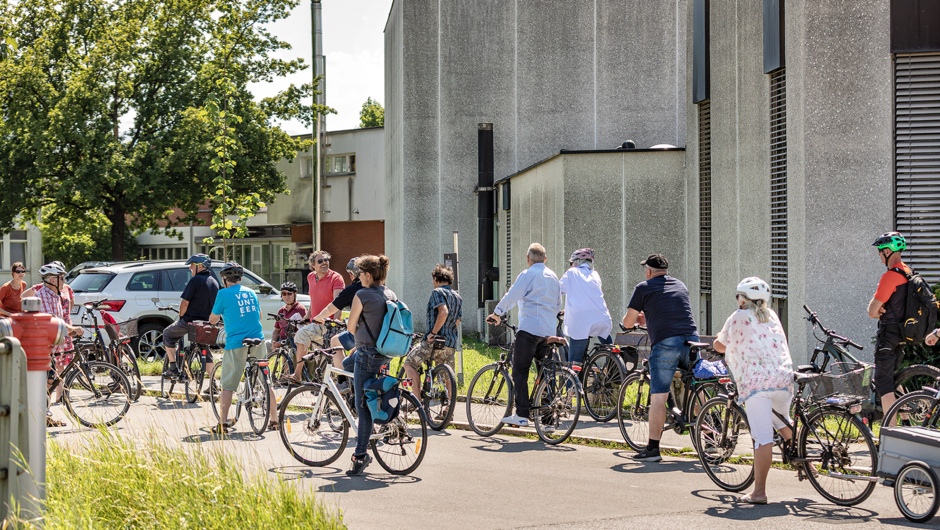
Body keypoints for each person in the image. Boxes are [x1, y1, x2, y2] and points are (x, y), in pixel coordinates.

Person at [713, 277, 794, 504]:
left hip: (757, 385)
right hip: (783, 380)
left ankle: (759, 492)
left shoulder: (738, 316)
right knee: (782, 422)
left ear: (743, 299)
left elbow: (720, 345)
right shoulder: (772, 316)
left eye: (738, 296)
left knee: (762, 438)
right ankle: (808, 466)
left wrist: (719, 345)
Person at [621, 254, 699, 462]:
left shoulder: (643, 287)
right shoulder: (680, 285)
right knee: (695, 389)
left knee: (658, 397)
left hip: (666, 342)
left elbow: (628, 322)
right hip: (691, 340)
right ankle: (708, 439)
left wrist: (630, 321)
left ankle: (653, 449)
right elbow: (669, 310)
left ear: (648, 271)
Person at [485, 243, 561, 427]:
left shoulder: (527, 275)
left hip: (529, 330)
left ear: (528, 259)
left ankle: (521, 414)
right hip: (549, 331)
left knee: (520, 371)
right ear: (545, 259)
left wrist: (497, 313)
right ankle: (548, 419)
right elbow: (558, 304)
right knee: (546, 374)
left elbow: (512, 295)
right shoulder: (553, 277)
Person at [208, 262, 276, 433]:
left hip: (236, 342)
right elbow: (258, 315)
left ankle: (223, 424)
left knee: (228, 384)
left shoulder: (222, 294)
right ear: (240, 278)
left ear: (224, 279)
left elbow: (213, 320)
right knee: (265, 379)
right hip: (258, 339)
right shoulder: (251, 292)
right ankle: (274, 421)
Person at [345, 254, 396, 475]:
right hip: (385, 352)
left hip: (367, 354)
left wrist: (358, 338)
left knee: (362, 406)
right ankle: (362, 392)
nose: (358, 277)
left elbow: (350, 326)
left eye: (359, 273)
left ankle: (360, 456)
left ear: (366, 275)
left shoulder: (362, 294)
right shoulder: (389, 293)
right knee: (348, 363)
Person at [867, 231, 913, 422]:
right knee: (894, 377)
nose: (879, 254)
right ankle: (906, 421)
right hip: (902, 334)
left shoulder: (890, 276)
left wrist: (880, 307)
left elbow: (872, 311)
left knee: (883, 384)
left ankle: (890, 434)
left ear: (888, 250)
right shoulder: (908, 271)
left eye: (880, 250)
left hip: (888, 336)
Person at [282, 251, 347, 384]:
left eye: (326, 259)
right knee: (322, 362)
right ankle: (324, 394)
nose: (324, 262)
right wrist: (306, 317)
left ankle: (297, 374)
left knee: (301, 335)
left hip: (327, 324)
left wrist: (334, 325)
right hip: (315, 323)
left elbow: (338, 304)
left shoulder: (336, 278)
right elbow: (314, 300)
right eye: (320, 261)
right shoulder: (311, 277)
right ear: (312, 265)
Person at [31, 263, 83, 427]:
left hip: (51, 345)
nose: (64, 281)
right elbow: (51, 319)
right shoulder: (43, 296)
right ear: (52, 279)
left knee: (49, 382)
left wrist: (68, 330)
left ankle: (43, 416)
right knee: (46, 382)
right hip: (41, 346)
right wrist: (71, 328)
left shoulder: (55, 295)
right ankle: (37, 417)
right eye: (61, 278)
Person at [403, 264, 462, 403]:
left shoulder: (438, 292)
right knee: (448, 376)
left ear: (435, 278)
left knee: (409, 364)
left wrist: (433, 333)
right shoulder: (457, 297)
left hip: (433, 342)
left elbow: (444, 312)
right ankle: (448, 410)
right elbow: (457, 321)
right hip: (450, 343)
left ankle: (417, 401)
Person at [164, 254, 220, 380]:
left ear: (199, 266)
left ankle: (172, 367)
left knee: (167, 333)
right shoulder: (214, 282)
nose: (189, 268)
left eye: (191, 265)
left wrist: (181, 316)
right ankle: (213, 383)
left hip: (190, 322)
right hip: (206, 323)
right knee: (205, 349)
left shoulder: (195, 280)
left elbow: (184, 303)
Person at [559, 248, 613, 365]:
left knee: (574, 365)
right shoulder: (595, 275)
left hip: (580, 322)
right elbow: (588, 297)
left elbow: (558, 291)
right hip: (602, 319)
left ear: (576, 262)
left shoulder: (571, 272)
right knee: (610, 349)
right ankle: (615, 367)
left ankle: (572, 382)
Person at [311, 258, 364, 373]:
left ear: (351, 275)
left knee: (335, 341)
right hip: (383, 336)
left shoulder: (352, 290)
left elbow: (331, 308)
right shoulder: (379, 289)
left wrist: (317, 318)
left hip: (363, 336)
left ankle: (342, 380)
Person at [271, 281, 306, 350]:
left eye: (289, 293)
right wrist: (273, 342)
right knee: (265, 345)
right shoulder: (281, 310)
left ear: (295, 294)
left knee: (288, 353)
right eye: (284, 294)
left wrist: (281, 343)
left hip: (294, 343)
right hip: (281, 341)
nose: (286, 296)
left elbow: (305, 330)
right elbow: (276, 330)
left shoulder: (301, 309)